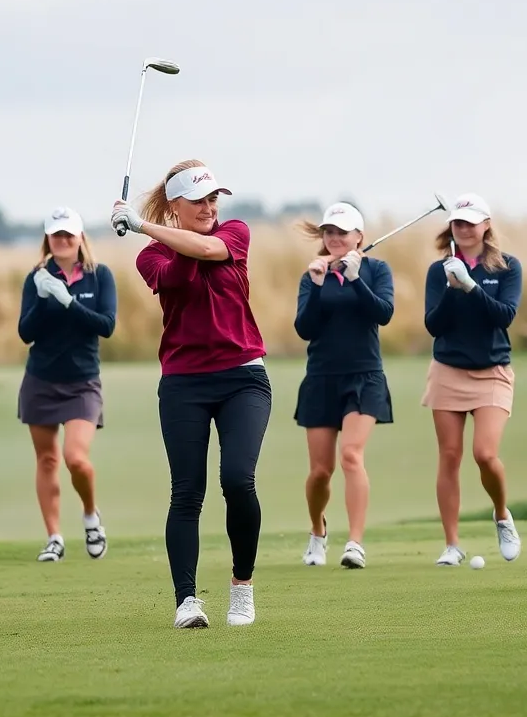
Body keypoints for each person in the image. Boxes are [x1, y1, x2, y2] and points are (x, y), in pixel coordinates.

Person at [110, 159, 270, 629]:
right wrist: (150, 233)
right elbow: (180, 275)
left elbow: (207, 249)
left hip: (243, 376)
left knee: (238, 480)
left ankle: (242, 587)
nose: (209, 207)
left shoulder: (234, 232)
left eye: (213, 198)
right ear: (176, 206)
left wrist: (141, 225)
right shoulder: (150, 257)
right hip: (183, 383)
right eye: (198, 200)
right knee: (187, 493)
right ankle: (187, 601)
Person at [422, 193, 524, 568]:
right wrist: (451, 288)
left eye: (470, 222)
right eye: (457, 223)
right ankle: (452, 543)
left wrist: (472, 287)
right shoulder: (439, 270)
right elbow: (434, 325)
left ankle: (501, 515)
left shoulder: (508, 267)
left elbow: (504, 317)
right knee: (449, 457)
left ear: (486, 225)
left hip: (492, 371)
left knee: (485, 453)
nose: (463, 228)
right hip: (448, 369)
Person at [292, 201, 394, 570]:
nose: (334, 238)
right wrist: (319, 286)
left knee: (351, 455)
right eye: (329, 232)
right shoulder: (312, 275)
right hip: (321, 377)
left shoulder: (376, 270)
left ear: (359, 237)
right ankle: (317, 532)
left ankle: (355, 543)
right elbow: (305, 328)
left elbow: (382, 312)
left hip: (364, 376)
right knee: (321, 471)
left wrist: (354, 278)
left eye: (342, 232)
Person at [17, 206, 117, 563]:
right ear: (48, 239)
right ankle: (54, 537)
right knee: (46, 460)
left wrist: (67, 300)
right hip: (41, 378)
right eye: (56, 234)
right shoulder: (36, 279)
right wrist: (44, 299)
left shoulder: (99, 276)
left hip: (82, 382)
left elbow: (105, 325)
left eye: (68, 234)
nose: (62, 240)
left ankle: (91, 516)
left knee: (76, 458)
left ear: (79, 238)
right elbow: (26, 332)